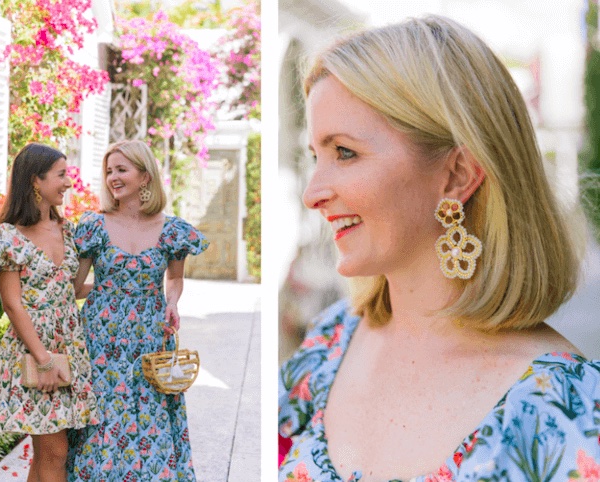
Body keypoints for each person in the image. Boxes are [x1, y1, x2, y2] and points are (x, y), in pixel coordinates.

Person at [279, 15, 600, 480]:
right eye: (315, 156)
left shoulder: (568, 410)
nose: (313, 193)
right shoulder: (328, 345)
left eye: (344, 152)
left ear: (457, 177)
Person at [68, 140, 208, 481]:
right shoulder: (94, 226)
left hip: (150, 337)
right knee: (102, 420)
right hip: (100, 339)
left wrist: (172, 302)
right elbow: (74, 286)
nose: (113, 177)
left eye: (122, 169)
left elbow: (174, 280)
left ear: (145, 176)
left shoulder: (172, 230)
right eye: (109, 171)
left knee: (151, 418)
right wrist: (111, 292)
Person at [0, 143, 97, 482]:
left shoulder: (68, 231)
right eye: (61, 175)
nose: (68, 182)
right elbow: (12, 303)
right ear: (35, 181)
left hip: (67, 347)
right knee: (54, 452)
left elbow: (72, 289)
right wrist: (43, 358)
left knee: (46, 455)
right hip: (34, 351)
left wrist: (123, 290)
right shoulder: (10, 237)